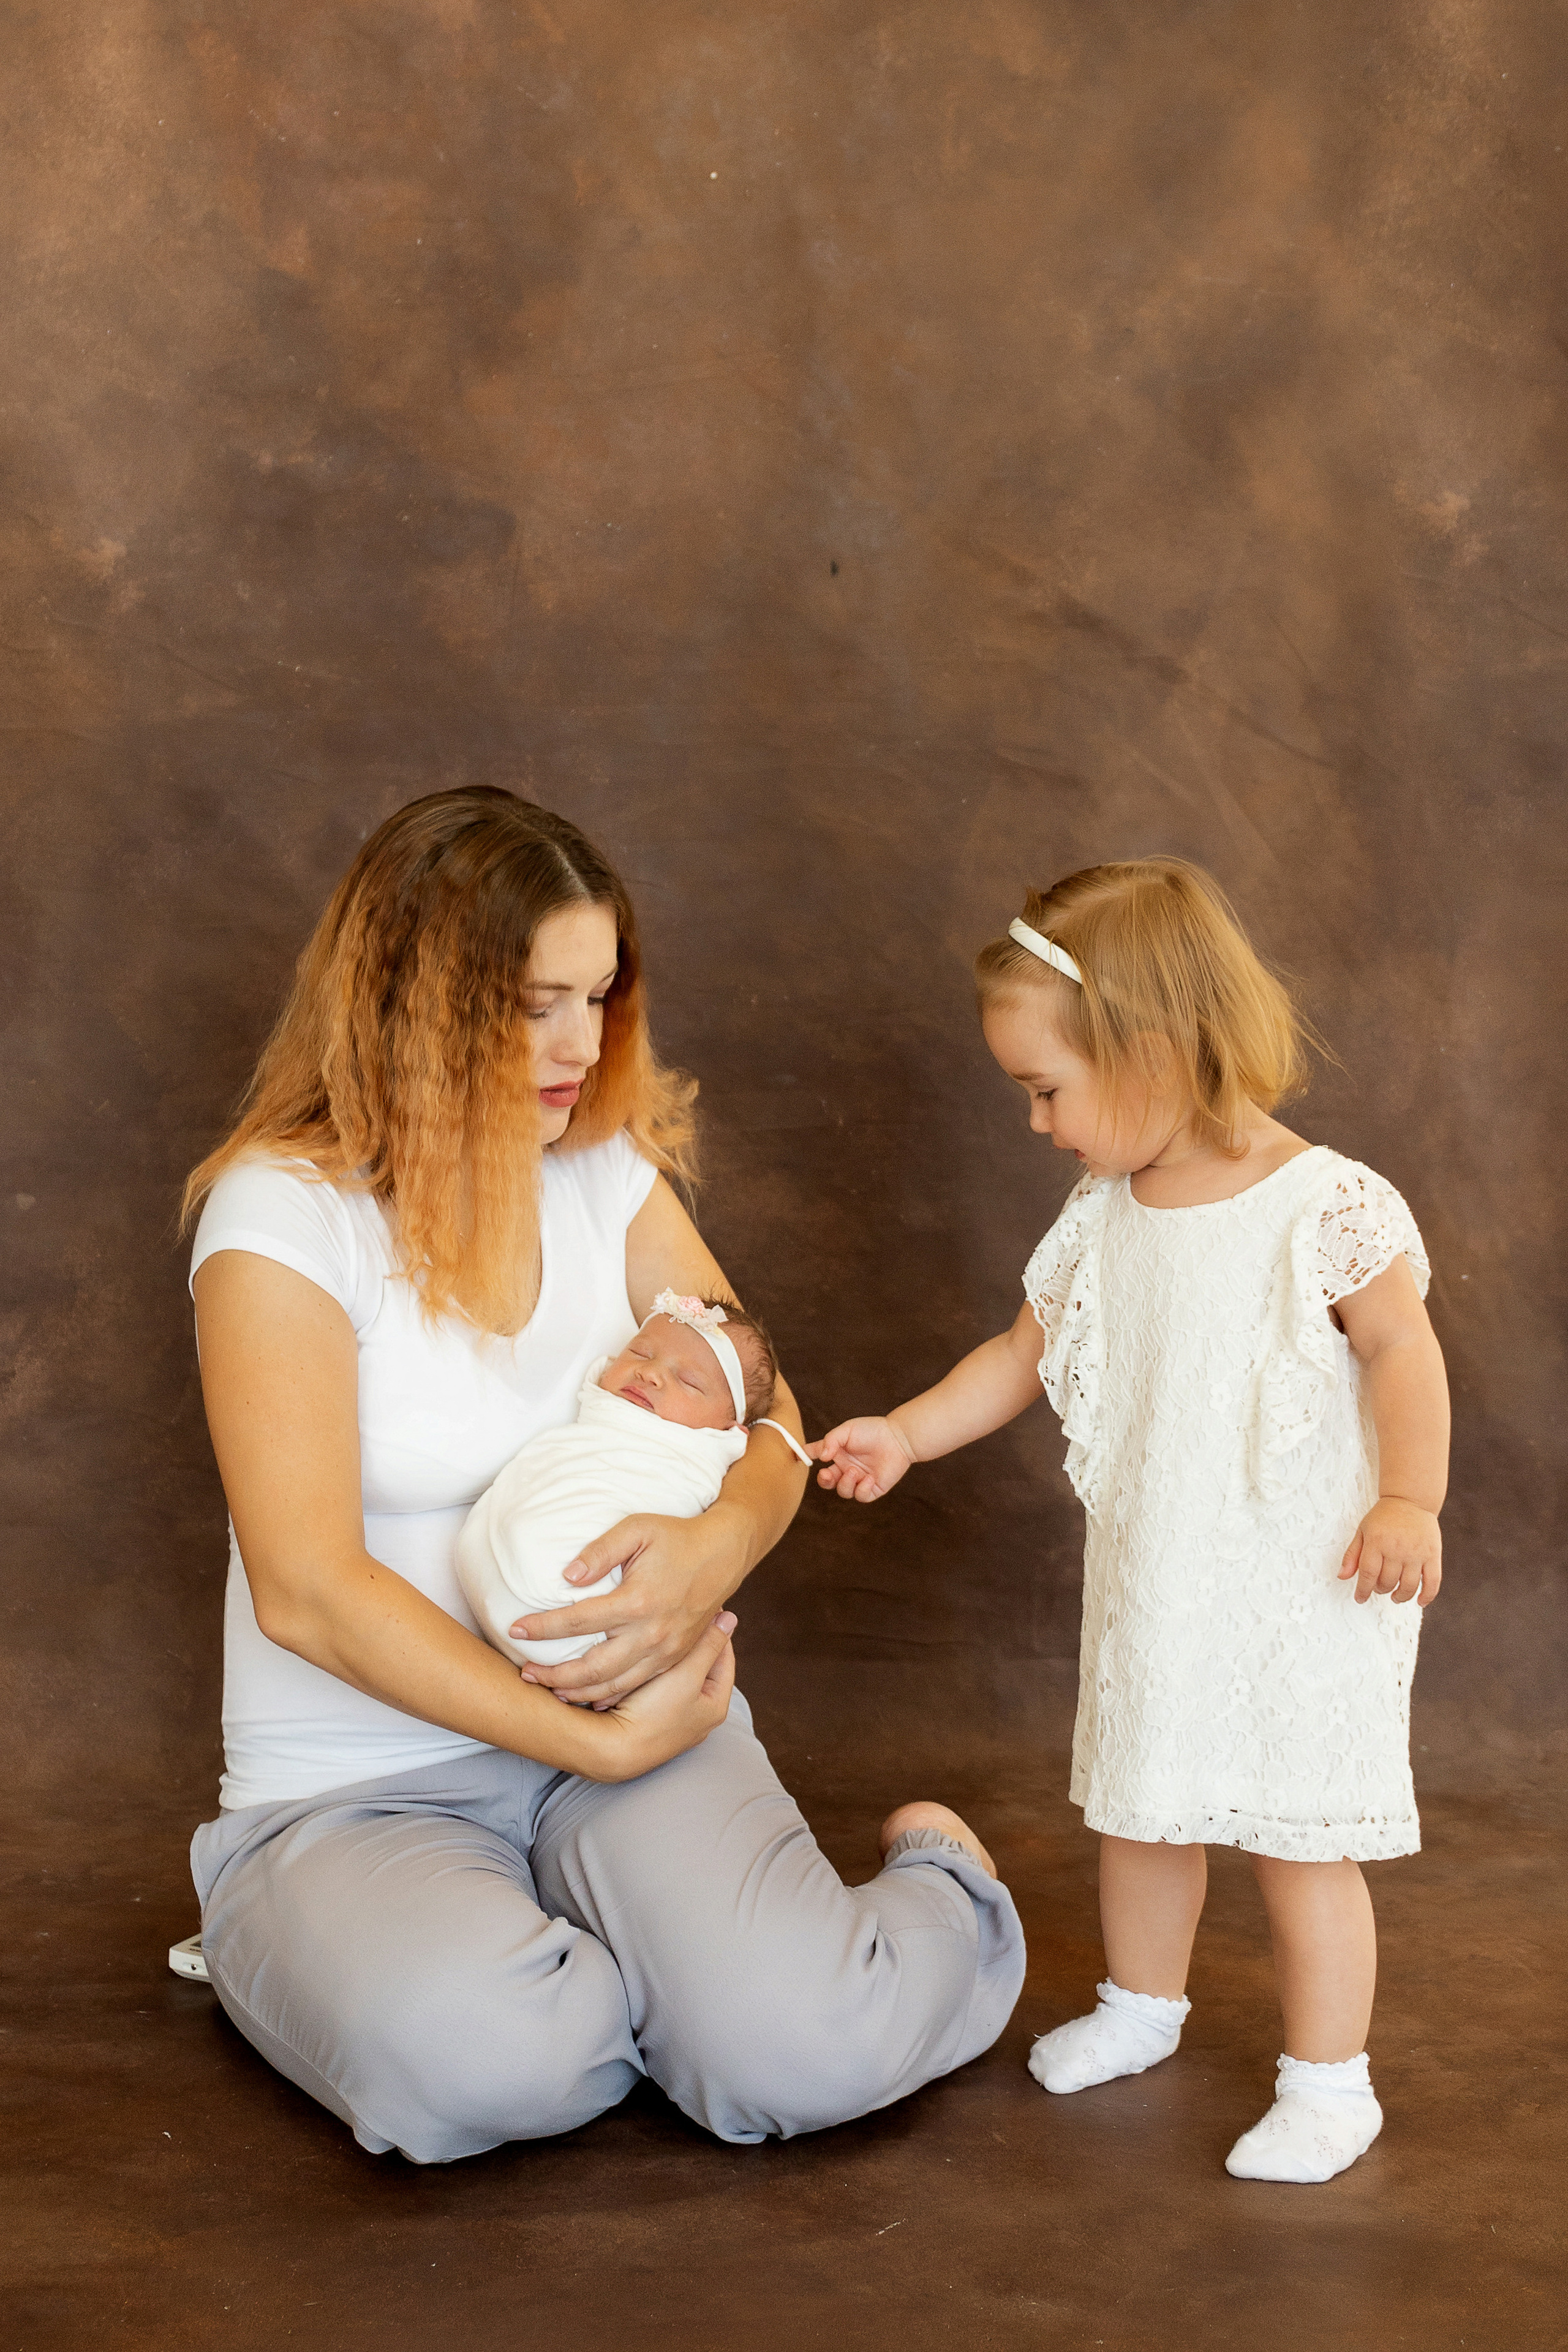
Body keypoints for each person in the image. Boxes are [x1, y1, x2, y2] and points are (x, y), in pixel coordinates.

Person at [182, 786, 1024, 2163]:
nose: (579, 1045)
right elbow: (307, 1591)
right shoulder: (281, 1213)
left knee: (802, 2056)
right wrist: (585, 1739)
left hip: (640, 1730)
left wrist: (719, 1550)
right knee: (480, 2069)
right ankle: (301, 1935)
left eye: (598, 993)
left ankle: (945, 1891)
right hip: (367, 1781)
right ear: (411, 1001)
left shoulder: (599, 1169)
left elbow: (763, 1402)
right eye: (530, 1005)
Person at [812, 858, 1448, 2184]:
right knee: (1141, 1808)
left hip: (1298, 1586)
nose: (1036, 1125)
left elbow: (1400, 1348)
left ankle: (1330, 2083)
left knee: (1295, 1839)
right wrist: (908, 1432)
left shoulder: (1322, 1206)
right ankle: (1141, 2003)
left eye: (1045, 1091)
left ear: (1149, 1055)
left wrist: (1409, 1498)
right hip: (1162, 1578)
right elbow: (1019, 1351)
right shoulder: (1103, 1215)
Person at [458, 1291, 796, 1666]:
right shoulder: (600, 1410)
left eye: (689, 1381)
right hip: (488, 1585)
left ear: (729, 1429)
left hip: (599, 1628)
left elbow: (786, 1447)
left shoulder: (694, 1457)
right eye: (640, 1354)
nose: (649, 1373)